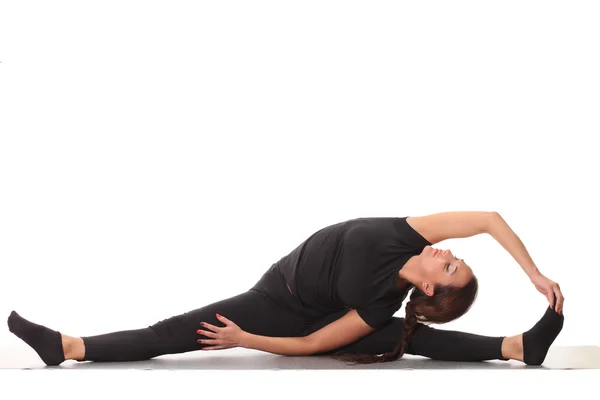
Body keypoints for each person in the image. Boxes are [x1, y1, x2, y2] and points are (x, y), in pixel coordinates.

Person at [7, 211, 565, 366]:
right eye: (455, 259)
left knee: (172, 332)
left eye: (450, 270)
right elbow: (490, 218)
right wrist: (534, 274)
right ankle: (517, 347)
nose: (449, 255)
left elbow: (312, 344)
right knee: (403, 336)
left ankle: (70, 346)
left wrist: (249, 337)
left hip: (281, 310)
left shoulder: (377, 305)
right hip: (276, 283)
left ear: (428, 288)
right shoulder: (411, 234)